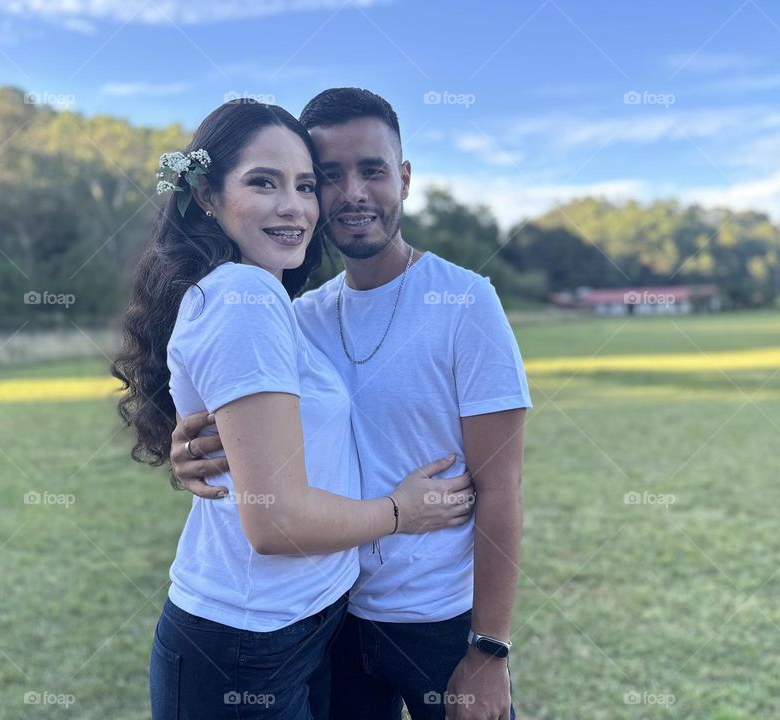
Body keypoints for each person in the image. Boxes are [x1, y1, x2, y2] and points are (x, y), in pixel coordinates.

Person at [172, 89, 530, 720]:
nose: (353, 193)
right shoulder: (296, 315)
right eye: (328, 177)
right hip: (329, 620)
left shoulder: (466, 302)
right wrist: (189, 451)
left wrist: (490, 649)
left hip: (436, 621)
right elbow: (257, 446)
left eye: (373, 170)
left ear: (405, 178)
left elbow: (502, 487)